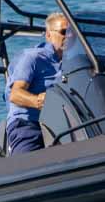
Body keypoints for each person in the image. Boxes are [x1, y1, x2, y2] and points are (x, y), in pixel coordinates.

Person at [5, 12, 69, 155]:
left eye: (71, 33)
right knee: (26, 165)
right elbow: (15, 94)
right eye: (64, 32)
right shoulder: (32, 58)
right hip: (28, 125)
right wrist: (38, 101)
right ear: (48, 35)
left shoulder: (74, 63)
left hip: (61, 126)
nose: (68, 36)